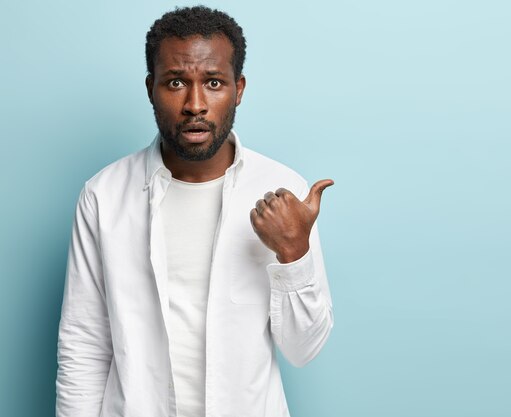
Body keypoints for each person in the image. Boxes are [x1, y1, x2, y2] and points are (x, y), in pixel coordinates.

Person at [55, 6, 334, 417]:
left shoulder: (282, 192)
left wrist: (295, 254)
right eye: (175, 83)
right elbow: (84, 344)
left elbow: (303, 350)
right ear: (151, 88)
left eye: (214, 82)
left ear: (238, 89)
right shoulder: (104, 195)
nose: (195, 104)